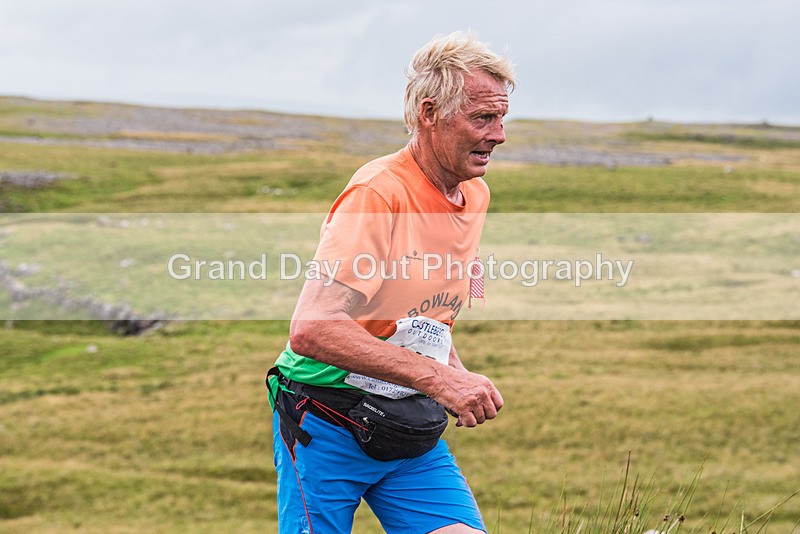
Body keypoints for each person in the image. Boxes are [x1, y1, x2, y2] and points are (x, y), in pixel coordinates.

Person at [267, 31, 515, 534]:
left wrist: (453, 369)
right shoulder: (377, 194)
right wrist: (442, 380)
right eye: (483, 118)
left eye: (502, 117)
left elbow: (428, 313)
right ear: (429, 114)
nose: (499, 134)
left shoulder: (476, 194)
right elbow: (312, 329)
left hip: (406, 425)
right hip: (324, 419)